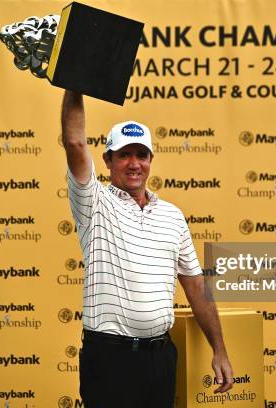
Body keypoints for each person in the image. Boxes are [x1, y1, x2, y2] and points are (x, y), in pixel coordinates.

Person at [61, 90, 233, 408]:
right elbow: (74, 142)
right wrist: (75, 82)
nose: (134, 163)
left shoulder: (172, 215)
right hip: (109, 360)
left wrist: (219, 349)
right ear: (108, 160)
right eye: (124, 154)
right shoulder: (93, 202)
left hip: (159, 359)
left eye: (142, 154)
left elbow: (196, 287)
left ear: (151, 160)